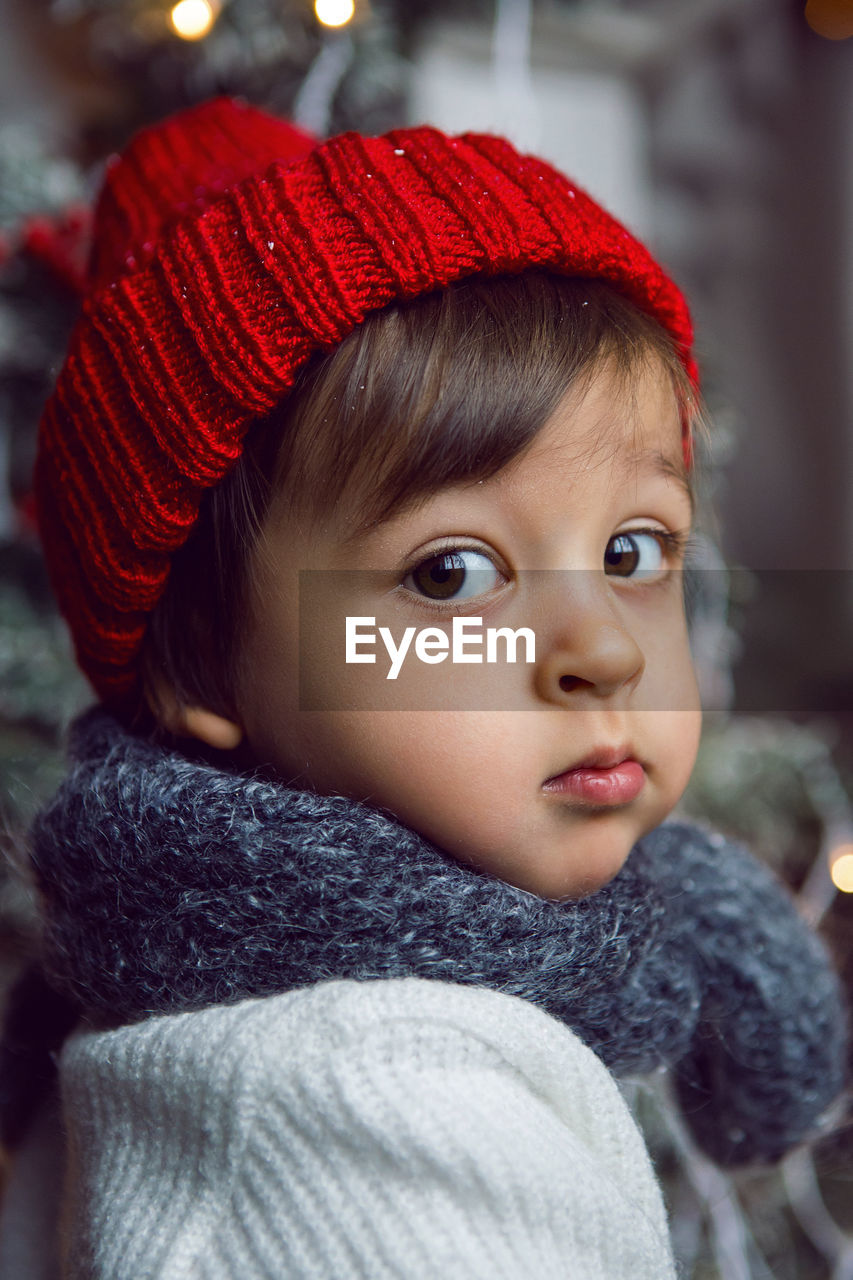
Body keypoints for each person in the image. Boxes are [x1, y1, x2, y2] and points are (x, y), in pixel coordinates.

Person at [0, 98, 846, 1279]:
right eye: (451, 573)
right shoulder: (374, 1107)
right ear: (200, 661)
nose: (601, 649)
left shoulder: (233, 996)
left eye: (633, 550)